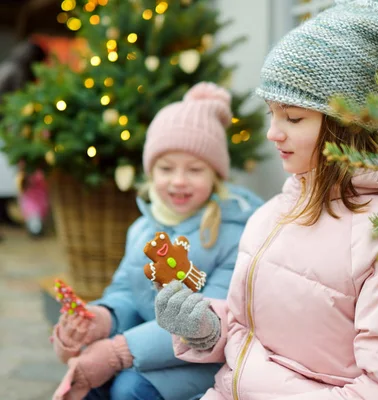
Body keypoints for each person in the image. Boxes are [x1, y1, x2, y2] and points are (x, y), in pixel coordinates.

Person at [155, 1, 378, 399]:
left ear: (346, 125)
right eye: (272, 114)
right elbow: (249, 331)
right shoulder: (272, 214)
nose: (272, 133)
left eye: (293, 118)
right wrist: (207, 329)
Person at [50, 82, 263, 400]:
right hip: (146, 352)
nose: (178, 181)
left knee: (129, 389)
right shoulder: (142, 229)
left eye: (194, 169)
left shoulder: (234, 233)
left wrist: (118, 351)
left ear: (215, 175)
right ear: (151, 173)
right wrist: (101, 319)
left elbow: (213, 320)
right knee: (91, 384)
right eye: (166, 168)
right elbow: (126, 291)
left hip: (205, 359)